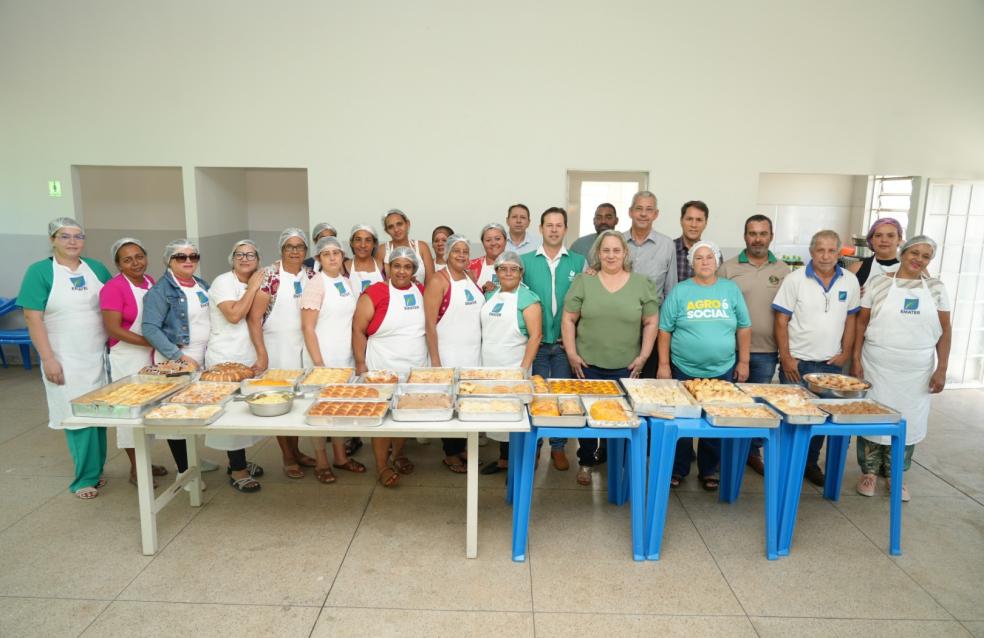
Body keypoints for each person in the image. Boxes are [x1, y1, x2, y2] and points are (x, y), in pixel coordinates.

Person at [19, 217, 113, 499]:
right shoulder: (40, 272)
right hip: (64, 357)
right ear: (52, 240)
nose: (72, 242)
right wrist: (47, 358)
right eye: (65, 236)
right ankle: (84, 478)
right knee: (75, 418)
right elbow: (32, 317)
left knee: (98, 416)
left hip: (97, 354)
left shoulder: (95, 268)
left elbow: (111, 304)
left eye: (78, 236)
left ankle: (96, 471)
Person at [852, 235, 951, 502]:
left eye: (926, 256)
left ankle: (897, 475)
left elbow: (944, 331)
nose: (919, 259)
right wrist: (856, 359)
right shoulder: (879, 283)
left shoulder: (937, 289)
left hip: (917, 370)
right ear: (903, 252)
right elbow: (861, 324)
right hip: (878, 364)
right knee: (873, 417)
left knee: (909, 420)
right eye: (914, 253)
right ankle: (869, 473)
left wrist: (942, 368)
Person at [562, 231, 659, 486]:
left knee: (621, 418)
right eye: (606, 250)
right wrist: (572, 353)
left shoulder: (641, 283)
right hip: (588, 365)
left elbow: (651, 321)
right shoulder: (585, 281)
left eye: (617, 250)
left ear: (625, 253)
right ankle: (585, 461)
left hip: (627, 367)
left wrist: (644, 356)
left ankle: (619, 464)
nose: (611, 255)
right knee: (587, 416)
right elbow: (569, 318)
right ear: (598, 253)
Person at [657, 240, 751, 490]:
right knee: (682, 422)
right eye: (699, 258)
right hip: (683, 368)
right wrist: (664, 364)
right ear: (691, 263)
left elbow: (744, 326)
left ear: (717, 261)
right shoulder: (680, 291)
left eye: (710, 257)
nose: (705, 262)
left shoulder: (730, 290)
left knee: (716, 420)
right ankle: (678, 469)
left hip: (722, 369)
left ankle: (710, 470)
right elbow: (664, 330)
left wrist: (744, 361)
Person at [773, 229, 860, 486]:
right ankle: (786, 465)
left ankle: (809, 464)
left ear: (838, 253)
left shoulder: (849, 282)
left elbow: (852, 319)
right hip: (797, 364)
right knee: (791, 417)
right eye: (820, 250)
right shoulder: (795, 279)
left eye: (831, 250)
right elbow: (781, 320)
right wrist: (786, 357)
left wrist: (845, 352)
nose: (825, 256)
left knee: (820, 420)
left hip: (830, 365)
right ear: (811, 252)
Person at [718, 214, 790, 475]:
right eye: (752, 233)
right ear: (744, 236)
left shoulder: (783, 271)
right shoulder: (727, 268)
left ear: (771, 236)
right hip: (730, 350)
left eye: (762, 233)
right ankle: (725, 454)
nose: (757, 238)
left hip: (765, 351)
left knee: (758, 406)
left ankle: (752, 452)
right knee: (727, 404)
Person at [142, 239, 215, 489]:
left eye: (193, 256)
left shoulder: (201, 285)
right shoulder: (161, 291)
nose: (188, 261)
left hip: (201, 357)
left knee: (194, 410)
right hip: (178, 359)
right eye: (180, 257)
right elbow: (150, 328)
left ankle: (194, 460)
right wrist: (179, 357)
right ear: (168, 261)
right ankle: (184, 472)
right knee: (176, 415)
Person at [99, 237, 170, 487]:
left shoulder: (151, 282)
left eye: (139, 257)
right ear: (119, 265)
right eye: (127, 260)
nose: (135, 263)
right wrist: (152, 342)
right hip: (127, 357)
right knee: (130, 412)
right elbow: (113, 329)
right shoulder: (113, 288)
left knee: (149, 410)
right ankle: (136, 469)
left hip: (150, 357)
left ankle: (144, 461)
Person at [353, 247, 426, 488]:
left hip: (414, 363)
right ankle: (382, 464)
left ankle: (398, 454)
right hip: (382, 363)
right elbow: (358, 329)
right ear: (388, 267)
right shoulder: (375, 293)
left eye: (407, 266)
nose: (402, 271)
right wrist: (361, 363)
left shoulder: (420, 291)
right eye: (397, 266)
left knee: (404, 411)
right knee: (383, 416)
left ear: (414, 270)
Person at [248, 228, 318, 480]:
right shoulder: (270, 276)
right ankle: (287, 456)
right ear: (282, 249)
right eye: (290, 246)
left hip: (301, 345)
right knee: (280, 400)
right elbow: (254, 320)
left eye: (300, 246)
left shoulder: (311, 275)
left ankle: (296, 450)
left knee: (297, 400)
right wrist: (262, 353)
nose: (295, 251)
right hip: (276, 345)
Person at [522, 207, 587, 471]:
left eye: (559, 225)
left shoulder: (579, 262)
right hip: (535, 343)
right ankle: (535, 448)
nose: (553, 229)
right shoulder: (525, 261)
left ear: (565, 229)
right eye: (548, 225)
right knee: (535, 394)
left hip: (563, 344)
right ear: (540, 229)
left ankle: (558, 448)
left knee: (562, 393)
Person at [300, 235, 367, 483]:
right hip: (322, 357)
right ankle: (321, 460)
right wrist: (319, 364)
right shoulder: (316, 283)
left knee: (338, 408)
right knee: (319, 411)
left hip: (343, 356)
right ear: (318, 258)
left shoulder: (346, 282)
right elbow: (307, 327)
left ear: (342, 257)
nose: (332, 257)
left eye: (336, 253)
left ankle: (341, 457)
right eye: (326, 254)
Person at [203, 239, 266, 493]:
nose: (245, 259)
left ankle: (238, 461)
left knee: (244, 413)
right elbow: (234, 314)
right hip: (224, 357)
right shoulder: (222, 282)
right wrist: (252, 287)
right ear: (232, 258)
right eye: (239, 254)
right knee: (229, 415)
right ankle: (237, 469)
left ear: (257, 259)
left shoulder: (257, 281)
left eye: (250, 254)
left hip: (247, 353)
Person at [479, 252, 543, 474]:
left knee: (516, 418)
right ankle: (504, 460)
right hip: (489, 367)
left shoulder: (528, 299)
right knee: (497, 414)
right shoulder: (490, 295)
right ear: (496, 272)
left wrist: (523, 370)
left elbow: (536, 337)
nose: (508, 273)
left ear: (521, 273)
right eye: (503, 269)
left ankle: (520, 467)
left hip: (514, 366)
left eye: (513, 269)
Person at [425, 234, 484, 472]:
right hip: (447, 353)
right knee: (450, 402)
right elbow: (429, 324)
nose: (461, 255)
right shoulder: (438, 281)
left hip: (472, 353)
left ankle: (463, 449)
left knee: (467, 402)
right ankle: (450, 453)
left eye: (465, 251)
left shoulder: (470, 277)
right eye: (456, 251)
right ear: (447, 253)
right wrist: (437, 362)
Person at [623, 191, 677, 378]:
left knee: (647, 385)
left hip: (652, 328)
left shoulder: (667, 245)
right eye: (639, 209)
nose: (643, 214)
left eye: (649, 209)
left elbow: (670, 290)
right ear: (630, 212)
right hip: (621, 326)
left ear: (656, 214)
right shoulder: (617, 242)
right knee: (622, 380)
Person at [380, 209, 434, 283]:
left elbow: (431, 282)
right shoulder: (382, 250)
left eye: (399, 224)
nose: (396, 229)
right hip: (390, 294)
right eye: (391, 227)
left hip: (421, 294)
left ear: (407, 224)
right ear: (386, 231)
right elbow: (378, 281)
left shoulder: (422, 247)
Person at [847, 217, 903, 288]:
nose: (884, 240)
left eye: (890, 236)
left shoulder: (909, 271)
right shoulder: (855, 269)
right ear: (871, 240)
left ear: (899, 240)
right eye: (878, 235)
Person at [673, 200, 709, 283]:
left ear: (705, 223)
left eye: (699, 220)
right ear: (681, 221)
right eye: (689, 219)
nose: (693, 225)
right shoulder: (668, 249)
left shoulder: (712, 254)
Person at [469, 223, 508, 292]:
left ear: (505, 241)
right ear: (483, 243)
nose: (493, 243)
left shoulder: (516, 265)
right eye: (488, 240)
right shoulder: (470, 266)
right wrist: (482, 290)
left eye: (497, 239)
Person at [346, 224, 385, 294]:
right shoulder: (342, 269)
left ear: (374, 244)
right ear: (351, 243)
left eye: (368, 240)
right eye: (358, 240)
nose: (363, 245)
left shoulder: (385, 268)